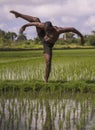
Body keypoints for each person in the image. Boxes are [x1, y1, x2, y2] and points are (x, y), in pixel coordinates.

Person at [10, 10, 84, 82]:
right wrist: (24, 26)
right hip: (42, 36)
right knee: (36, 19)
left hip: (48, 45)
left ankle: (46, 80)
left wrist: (81, 37)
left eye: (48, 31)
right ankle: (19, 15)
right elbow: (33, 23)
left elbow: (72, 29)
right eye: (46, 30)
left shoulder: (58, 30)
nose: (47, 33)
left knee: (48, 62)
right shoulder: (42, 26)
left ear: (52, 28)